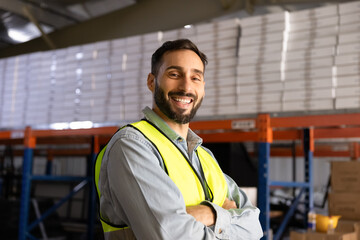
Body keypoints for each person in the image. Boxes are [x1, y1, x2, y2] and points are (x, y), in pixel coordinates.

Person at [95, 39, 263, 240]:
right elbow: (170, 236)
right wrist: (224, 214)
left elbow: (254, 227)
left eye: (196, 77)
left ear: (203, 87)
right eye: (174, 74)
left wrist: (208, 214)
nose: (186, 87)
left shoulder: (204, 156)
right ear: (152, 81)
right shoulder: (132, 146)